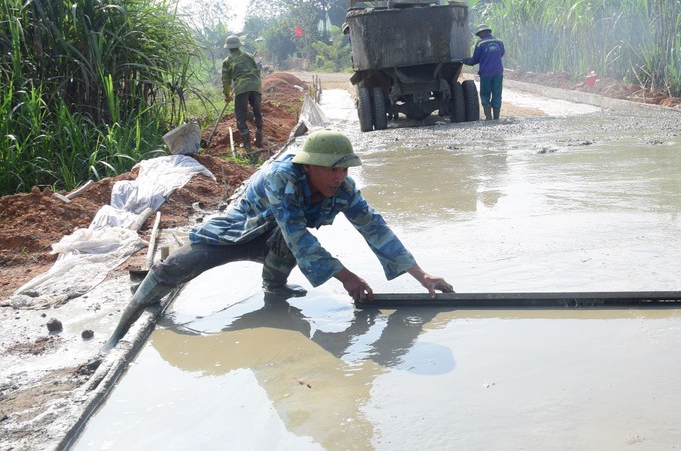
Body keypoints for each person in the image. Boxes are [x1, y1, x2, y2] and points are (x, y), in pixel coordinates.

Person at [103, 129, 454, 351]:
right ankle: (122, 327)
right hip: (238, 231)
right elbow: (297, 232)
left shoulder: (342, 189)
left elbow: (374, 227)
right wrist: (346, 277)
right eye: (333, 169)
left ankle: (274, 287)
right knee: (176, 267)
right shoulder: (282, 176)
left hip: (278, 236)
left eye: (345, 169)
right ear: (310, 166)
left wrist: (421, 275)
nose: (340, 177)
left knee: (290, 244)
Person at [221, 35, 264, 150]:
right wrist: (257, 86)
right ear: (239, 45)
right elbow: (257, 71)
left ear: (229, 48)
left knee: (241, 116)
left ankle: (247, 144)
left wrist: (227, 95)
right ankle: (259, 140)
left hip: (241, 89)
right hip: (255, 86)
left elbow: (226, 81)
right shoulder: (249, 56)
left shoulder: (227, 61)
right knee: (257, 113)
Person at [463, 23, 505, 120]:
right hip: (498, 73)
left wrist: (465, 60)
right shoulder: (499, 42)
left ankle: (488, 117)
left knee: (485, 94)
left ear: (481, 33)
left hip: (486, 74)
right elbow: (501, 53)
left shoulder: (480, 43)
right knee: (497, 94)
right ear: (489, 32)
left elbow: (474, 60)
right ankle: (496, 118)